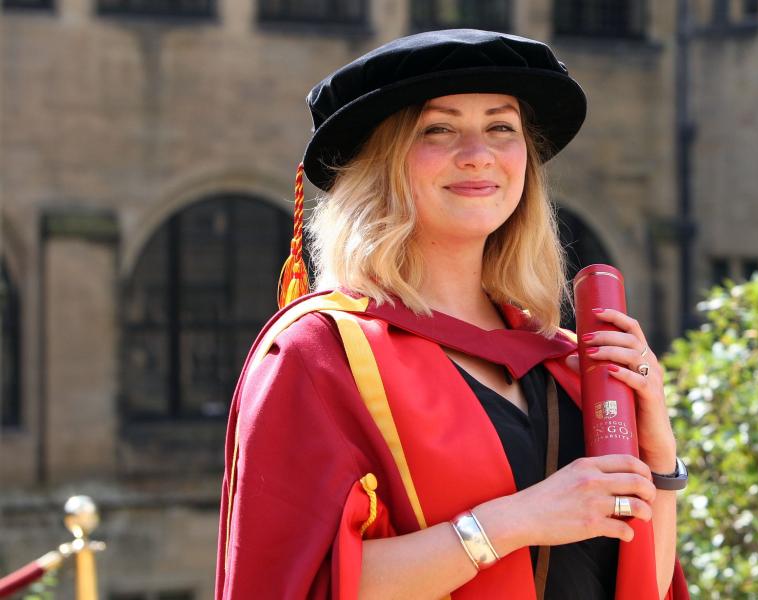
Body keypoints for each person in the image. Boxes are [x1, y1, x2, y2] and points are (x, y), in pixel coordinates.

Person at [215, 29, 689, 600]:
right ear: (379, 164)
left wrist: (658, 457)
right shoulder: (321, 356)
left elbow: (642, 584)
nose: (478, 154)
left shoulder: (564, 362)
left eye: (501, 127)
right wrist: (516, 521)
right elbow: (297, 584)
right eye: (438, 129)